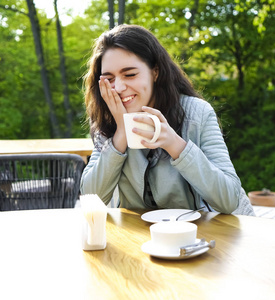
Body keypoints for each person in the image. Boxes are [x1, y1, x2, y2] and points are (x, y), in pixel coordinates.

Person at [80, 24, 254, 216]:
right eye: (109, 79)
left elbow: (229, 199)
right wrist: (121, 132)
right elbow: (91, 198)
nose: (119, 87)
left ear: (155, 72)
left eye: (130, 74)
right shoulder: (108, 120)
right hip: (139, 238)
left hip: (200, 236)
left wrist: (175, 145)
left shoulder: (197, 113)